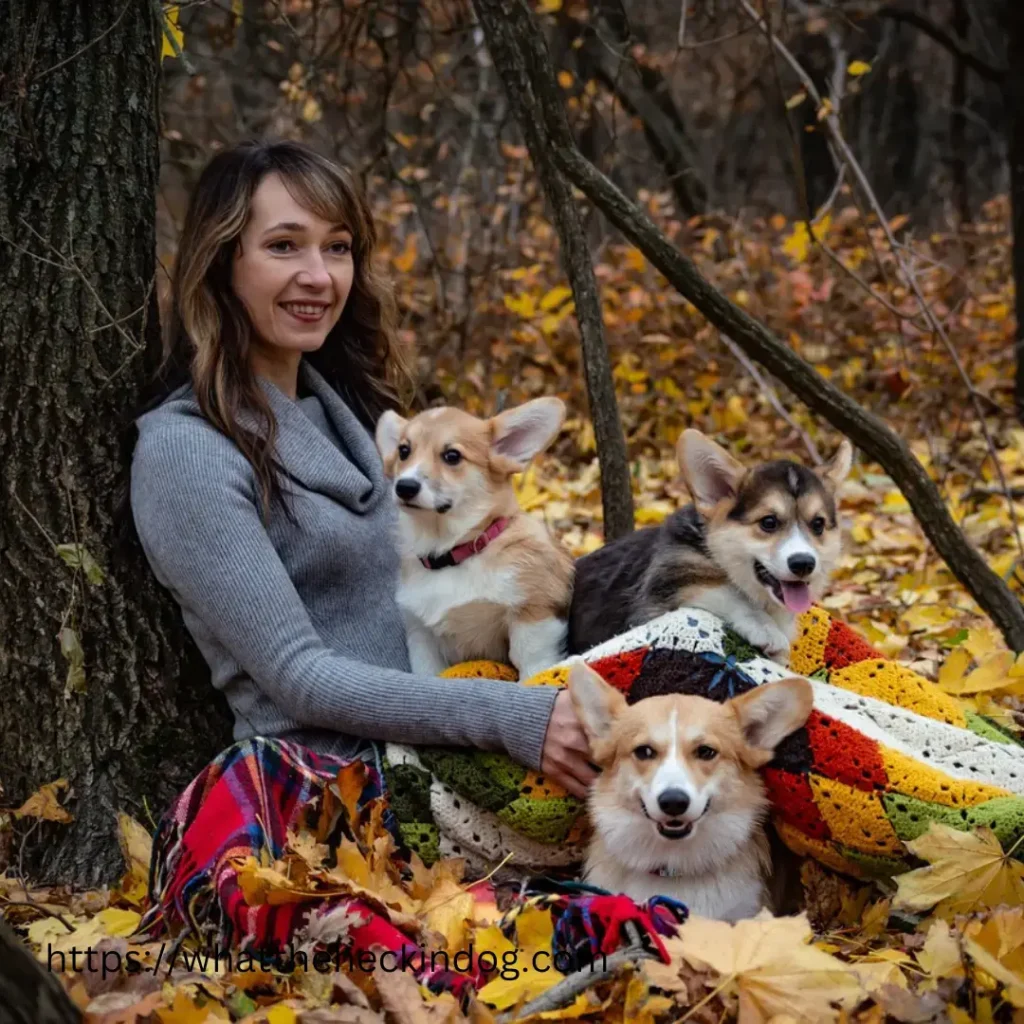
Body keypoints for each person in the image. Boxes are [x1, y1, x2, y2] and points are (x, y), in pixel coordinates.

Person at [129, 139, 595, 799]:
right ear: (222, 259)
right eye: (284, 246)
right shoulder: (188, 453)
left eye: (338, 247)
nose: (319, 276)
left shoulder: (352, 414)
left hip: (460, 732)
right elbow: (298, 677)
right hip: (351, 790)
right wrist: (516, 716)